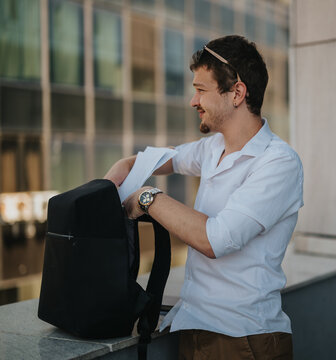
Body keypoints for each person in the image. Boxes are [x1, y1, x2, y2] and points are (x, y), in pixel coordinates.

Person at [104, 35, 303, 359]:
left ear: (237, 93)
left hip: (244, 338)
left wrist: (146, 198)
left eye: (201, 89)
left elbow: (216, 239)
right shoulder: (213, 148)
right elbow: (161, 159)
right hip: (195, 329)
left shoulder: (278, 162)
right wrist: (122, 169)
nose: (193, 100)